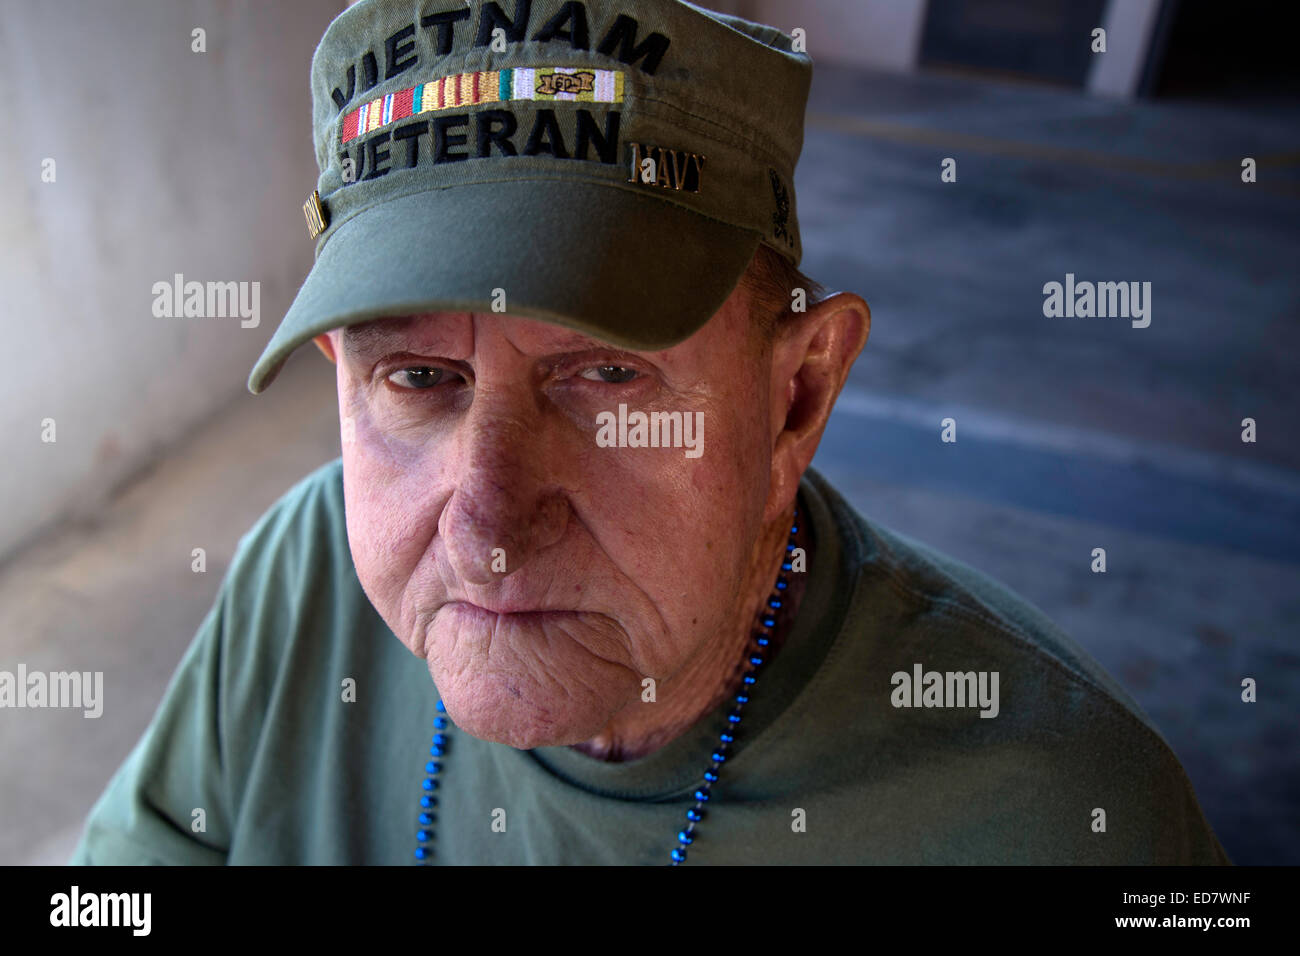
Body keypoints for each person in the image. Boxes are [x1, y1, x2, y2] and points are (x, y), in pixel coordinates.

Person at [70, 0, 1229, 865]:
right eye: (418, 377)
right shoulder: (304, 575)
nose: (488, 527)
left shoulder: (1059, 814)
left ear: (796, 398)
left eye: (600, 377)